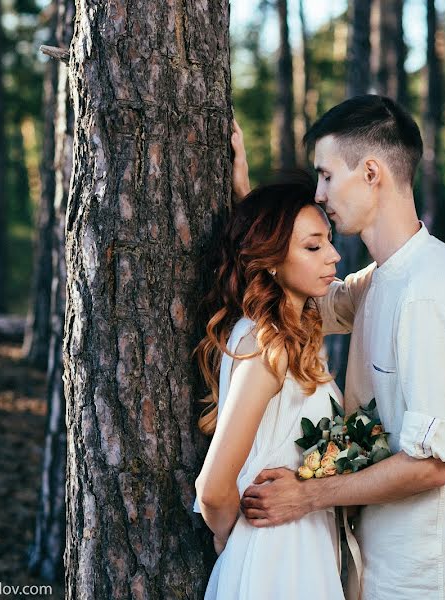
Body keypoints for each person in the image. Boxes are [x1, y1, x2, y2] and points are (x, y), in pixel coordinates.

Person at [238, 95, 445, 599]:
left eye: (328, 176)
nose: (320, 193)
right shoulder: (383, 279)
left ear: (372, 172)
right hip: (375, 568)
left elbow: (431, 465)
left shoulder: (429, 292)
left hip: (422, 580)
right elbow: (295, 294)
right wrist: (247, 201)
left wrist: (306, 497)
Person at [193, 133, 346, 599]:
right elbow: (213, 488)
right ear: (273, 260)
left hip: (303, 548)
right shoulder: (269, 348)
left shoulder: (292, 331)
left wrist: (246, 193)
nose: (334, 256)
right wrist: (230, 538)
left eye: (329, 242)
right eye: (314, 247)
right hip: (274, 559)